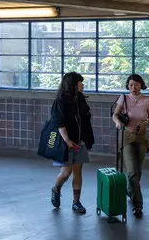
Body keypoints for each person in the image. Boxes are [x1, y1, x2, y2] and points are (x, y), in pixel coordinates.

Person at [50, 72, 94, 214]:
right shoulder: (60, 102)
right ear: (72, 84)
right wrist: (68, 141)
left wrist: (87, 139)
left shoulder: (80, 99)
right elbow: (59, 123)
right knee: (66, 172)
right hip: (65, 142)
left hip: (79, 141)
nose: (82, 84)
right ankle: (56, 189)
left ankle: (76, 202)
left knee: (77, 171)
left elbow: (85, 120)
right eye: (80, 82)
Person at [112, 74, 149, 218]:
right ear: (127, 86)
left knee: (138, 171)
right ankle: (138, 205)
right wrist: (118, 123)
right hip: (127, 137)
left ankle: (130, 191)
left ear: (141, 85)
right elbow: (115, 115)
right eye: (131, 85)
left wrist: (144, 124)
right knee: (132, 171)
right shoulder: (123, 99)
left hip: (141, 137)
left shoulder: (147, 100)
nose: (133, 87)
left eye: (136, 84)